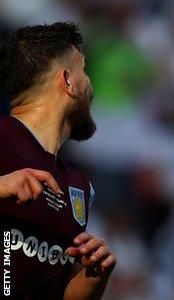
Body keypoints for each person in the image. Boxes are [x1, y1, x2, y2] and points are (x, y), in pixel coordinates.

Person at [0, 22, 116, 299]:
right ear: (67, 81)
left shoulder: (78, 184)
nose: (90, 84)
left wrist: (93, 276)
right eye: (84, 71)